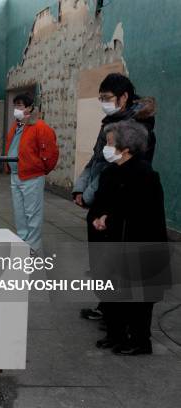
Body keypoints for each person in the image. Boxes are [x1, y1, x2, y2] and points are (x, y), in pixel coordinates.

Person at [73, 73, 157, 320]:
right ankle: (107, 306)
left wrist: (90, 195)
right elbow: (97, 158)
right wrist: (81, 188)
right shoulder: (109, 121)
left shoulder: (138, 128)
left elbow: (118, 171)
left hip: (118, 200)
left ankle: (117, 314)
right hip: (100, 196)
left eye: (107, 98)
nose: (103, 102)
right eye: (100, 97)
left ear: (124, 97)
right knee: (101, 257)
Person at [88, 120, 168, 355]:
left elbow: (141, 211)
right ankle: (115, 334)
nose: (106, 147)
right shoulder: (111, 172)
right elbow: (101, 201)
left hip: (138, 245)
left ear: (126, 148)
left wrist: (108, 219)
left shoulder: (145, 175)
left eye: (111, 143)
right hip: (111, 243)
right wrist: (96, 217)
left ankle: (140, 341)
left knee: (137, 299)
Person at [4, 93, 58, 255]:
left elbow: (50, 154)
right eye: (15, 106)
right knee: (19, 212)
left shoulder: (40, 127)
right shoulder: (17, 126)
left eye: (20, 106)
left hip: (32, 176)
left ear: (29, 108)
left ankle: (33, 245)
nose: (17, 109)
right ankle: (23, 241)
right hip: (16, 174)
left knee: (32, 212)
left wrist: (39, 169)